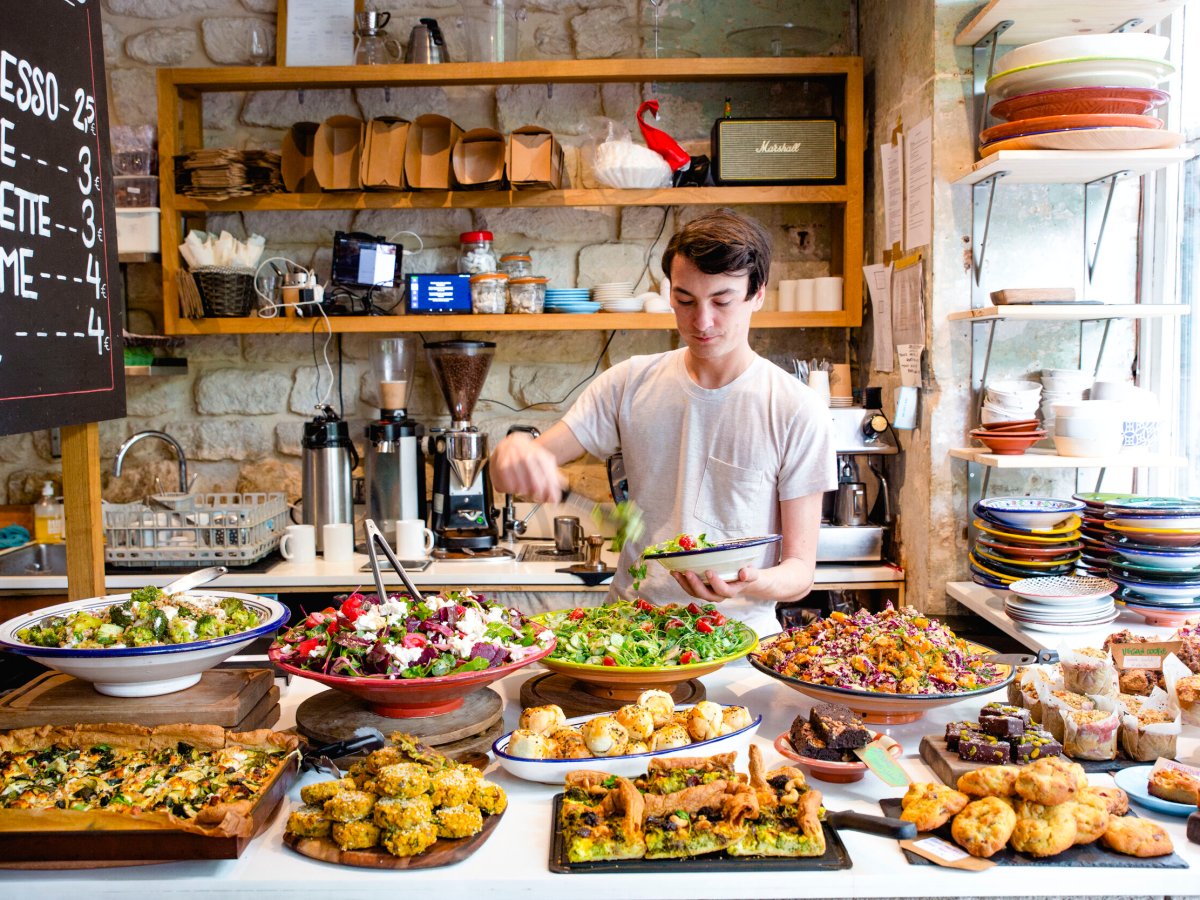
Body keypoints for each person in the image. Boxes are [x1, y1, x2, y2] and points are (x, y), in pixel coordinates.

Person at [489, 209, 836, 635]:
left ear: (757, 294)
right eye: (685, 300)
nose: (702, 321)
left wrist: (749, 582)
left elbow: (800, 572)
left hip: (739, 642)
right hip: (630, 633)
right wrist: (513, 452)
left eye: (722, 301)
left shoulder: (795, 408)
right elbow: (508, 474)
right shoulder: (629, 383)